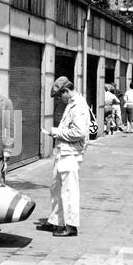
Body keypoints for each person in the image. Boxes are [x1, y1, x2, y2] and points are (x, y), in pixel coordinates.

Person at [45, 76, 90, 237]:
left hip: (71, 153)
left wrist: (57, 132)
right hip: (63, 151)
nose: (59, 100)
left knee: (69, 190)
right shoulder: (71, 104)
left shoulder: (78, 107)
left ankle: (71, 225)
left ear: (66, 91)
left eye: (59, 96)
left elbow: (79, 132)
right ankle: (56, 221)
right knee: (56, 188)